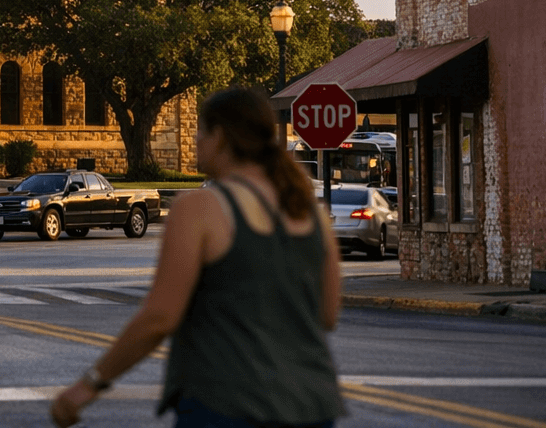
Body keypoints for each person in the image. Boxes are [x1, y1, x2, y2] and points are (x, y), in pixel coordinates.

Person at [50, 87, 344, 428]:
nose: (195, 139)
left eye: (200, 131)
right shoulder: (310, 212)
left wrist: (89, 385)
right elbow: (327, 315)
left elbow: (159, 317)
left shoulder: (200, 208)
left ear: (220, 136)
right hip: (312, 404)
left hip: (226, 404)